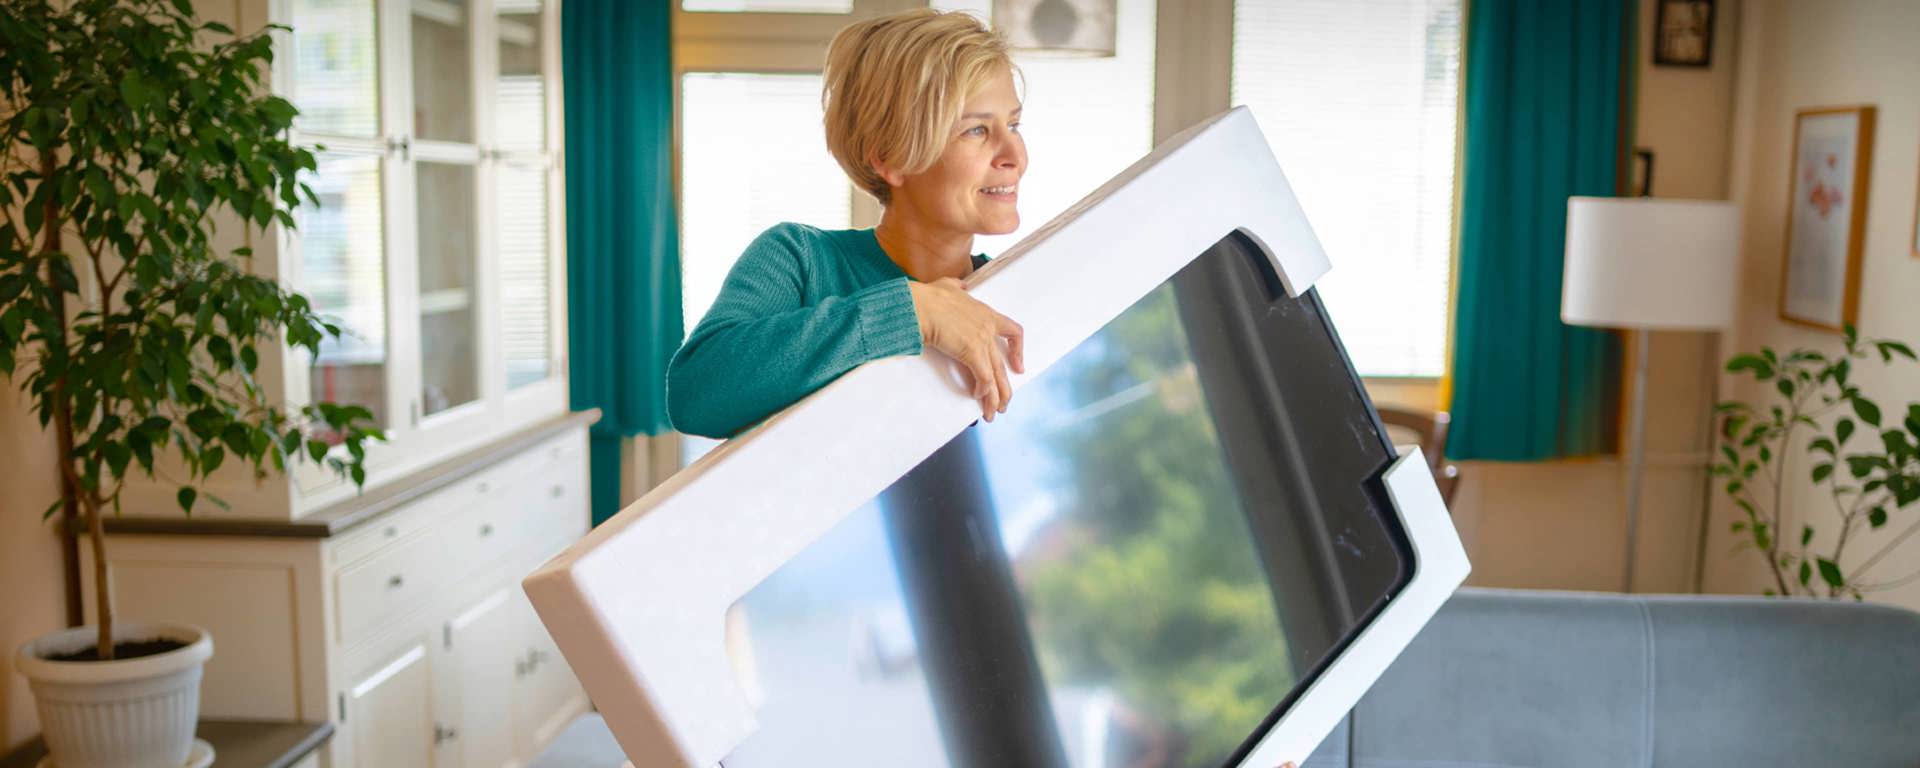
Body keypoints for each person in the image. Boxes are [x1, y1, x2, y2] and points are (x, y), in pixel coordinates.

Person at [667, 8, 1028, 439]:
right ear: (891, 156)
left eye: (1014, 124)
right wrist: (913, 312)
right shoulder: (801, 262)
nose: (1014, 155)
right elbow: (696, 397)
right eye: (976, 131)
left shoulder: (1015, 298)